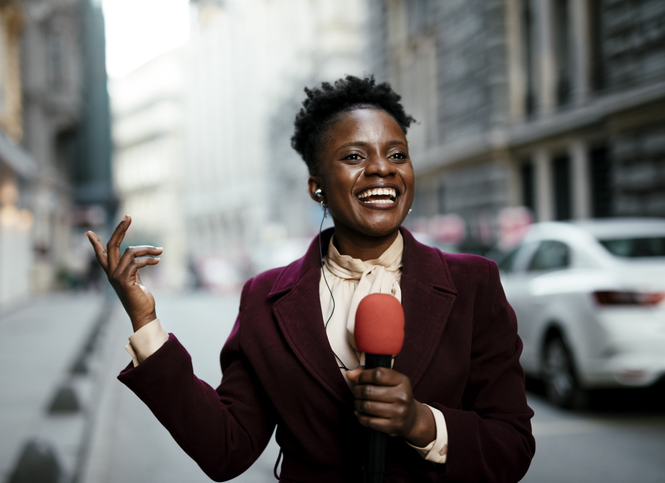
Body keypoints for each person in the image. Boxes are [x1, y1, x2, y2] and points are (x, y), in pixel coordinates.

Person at [86, 75, 535, 482]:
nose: (383, 168)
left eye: (397, 154)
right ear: (316, 186)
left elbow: (511, 447)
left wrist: (420, 422)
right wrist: (146, 323)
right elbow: (225, 448)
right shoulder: (265, 298)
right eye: (355, 156)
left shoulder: (474, 284)